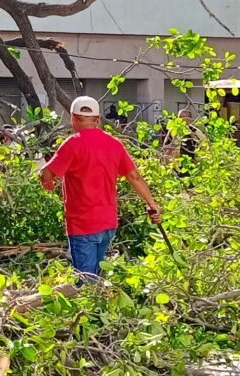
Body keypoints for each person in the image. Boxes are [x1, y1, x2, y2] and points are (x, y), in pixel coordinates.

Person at [40, 96, 162, 281]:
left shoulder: (72, 144)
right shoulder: (114, 143)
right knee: (96, 276)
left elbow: (46, 174)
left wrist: (48, 181)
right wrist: (152, 204)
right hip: (108, 224)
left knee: (86, 282)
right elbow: (134, 177)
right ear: (97, 120)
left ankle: (89, 300)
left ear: (73, 118)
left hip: (83, 225)